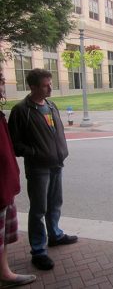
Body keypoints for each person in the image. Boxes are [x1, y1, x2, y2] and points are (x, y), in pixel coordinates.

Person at [8, 69, 78, 271]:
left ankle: (55, 235)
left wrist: (60, 151)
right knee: (39, 209)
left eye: (50, 83)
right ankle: (38, 251)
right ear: (33, 87)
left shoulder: (50, 105)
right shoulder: (22, 110)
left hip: (57, 163)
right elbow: (15, 143)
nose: (50, 87)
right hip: (38, 167)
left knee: (55, 203)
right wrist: (36, 152)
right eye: (46, 85)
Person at [0, 70, 36, 287]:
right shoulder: (21, 110)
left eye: (2, 81)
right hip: (1, 189)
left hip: (6, 187)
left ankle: (4, 271)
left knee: (3, 238)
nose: (2, 86)